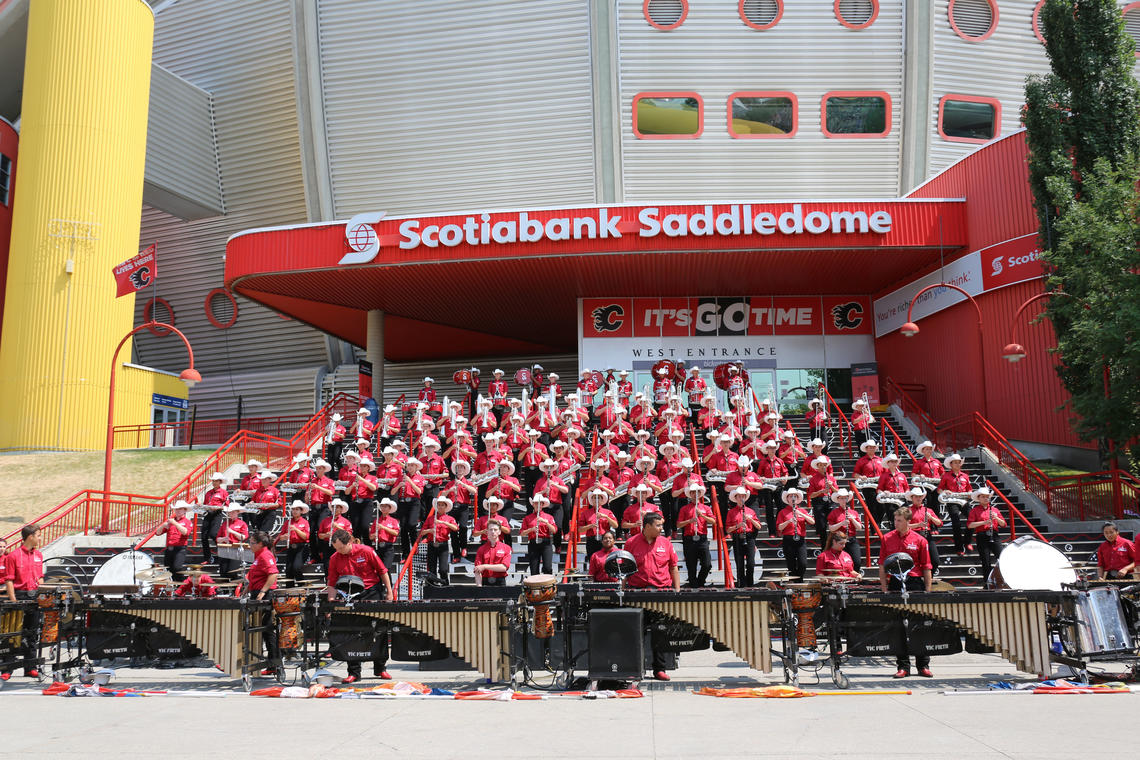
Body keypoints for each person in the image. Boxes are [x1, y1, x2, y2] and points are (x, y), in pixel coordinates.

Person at [325, 529, 393, 683]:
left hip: (371, 592)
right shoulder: (335, 557)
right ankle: (354, 672)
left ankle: (380, 668)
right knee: (351, 632)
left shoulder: (366, 551)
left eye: (341, 548)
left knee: (378, 630)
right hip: (349, 595)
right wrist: (330, 603)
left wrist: (389, 592)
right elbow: (331, 582)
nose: (339, 551)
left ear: (349, 542)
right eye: (336, 549)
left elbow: (383, 571)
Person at [879, 506, 934, 678]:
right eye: (895, 520)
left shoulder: (920, 540)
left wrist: (928, 590)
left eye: (899, 520)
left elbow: (926, 566)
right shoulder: (887, 538)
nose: (896, 523)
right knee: (898, 627)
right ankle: (903, 666)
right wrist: (884, 587)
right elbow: (881, 565)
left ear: (908, 521)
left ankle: (923, 665)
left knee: (919, 625)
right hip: (896, 581)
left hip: (915, 582)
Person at [624, 512, 680, 681]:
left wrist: (677, 590)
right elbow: (626, 570)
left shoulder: (666, 543)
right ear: (647, 526)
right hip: (637, 593)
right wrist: (623, 592)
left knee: (660, 632)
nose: (662, 528)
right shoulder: (631, 543)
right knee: (635, 632)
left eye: (662, 525)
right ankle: (635, 668)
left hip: (660, 592)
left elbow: (673, 567)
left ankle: (659, 669)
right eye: (658, 525)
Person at [2, 524, 43, 680]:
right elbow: (9, 580)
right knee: (12, 634)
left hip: (34, 596)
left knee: (32, 633)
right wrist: (13, 601)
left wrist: (44, 593)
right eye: (38, 535)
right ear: (30, 536)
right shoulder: (13, 556)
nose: (40, 538)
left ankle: (30, 667)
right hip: (19, 595)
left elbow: (40, 578)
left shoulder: (39, 555)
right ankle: (7, 669)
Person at [244, 531, 280, 675]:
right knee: (263, 631)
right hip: (256, 592)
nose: (250, 545)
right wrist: (247, 588)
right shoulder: (258, 555)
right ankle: (270, 664)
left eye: (252, 543)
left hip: (264, 594)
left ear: (260, 544)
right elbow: (256, 576)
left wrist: (262, 592)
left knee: (268, 630)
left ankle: (275, 664)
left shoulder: (265, 555)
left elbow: (273, 574)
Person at [677, 485, 714, 588]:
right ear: (690, 494)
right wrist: (689, 521)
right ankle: (694, 586)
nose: (695, 494)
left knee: (707, 564)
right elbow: (678, 524)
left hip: (702, 539)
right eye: (693, 492)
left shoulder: (705, 508)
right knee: (691, 566)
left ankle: (700, 582)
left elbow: (713, 521)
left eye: (697, 492)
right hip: (689, 540)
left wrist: (702, 516)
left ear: (700, 494)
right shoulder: (684, 508)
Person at [966, 488, 1006, 582]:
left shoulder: (995, 510)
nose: (985, 499)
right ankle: (987, 583)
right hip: (982, 536)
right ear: (979, 498)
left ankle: (1003, 580)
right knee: (986, 561)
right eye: (983, 497)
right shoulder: (974, 510)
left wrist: (996, 518)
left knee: (1001, 557)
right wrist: (984, 522)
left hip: (994, 535)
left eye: (987, 497)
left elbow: (1003, 524)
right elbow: (970, 525)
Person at [937, 453, 974, 555]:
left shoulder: (965, 476)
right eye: (955, 463)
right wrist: (944, 492)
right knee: (956, 523)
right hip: (952, 501)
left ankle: (967, 541)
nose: (958, 464)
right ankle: (959, 548)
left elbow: (969, 489)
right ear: (951, 464)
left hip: (964, 500)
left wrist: (970, 493)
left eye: (959, 462)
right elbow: (939, 489)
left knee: (973, 518)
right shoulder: (946, 476)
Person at [726, 486, 762, 586]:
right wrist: (738, 525)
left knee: (751, 563)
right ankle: (741, 585)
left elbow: (759, 527)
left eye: (743, 496)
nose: (741, 498)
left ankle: (750, 584)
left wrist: (750, 520)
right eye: (739, 496)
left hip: (749, 538)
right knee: (739, 564)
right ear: (736, 498)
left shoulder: (751, 511)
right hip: (737, 538)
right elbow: (728, 529)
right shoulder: (731, 512)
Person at [418, 496, 458, 585]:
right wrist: (430, 531)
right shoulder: (430, 518)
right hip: (432, 545)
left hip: (443, 545)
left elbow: (455, 528)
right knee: (431, 568)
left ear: (445, 507)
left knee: (443, 569)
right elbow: (422, 532)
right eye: (438, 505)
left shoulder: (449, 518)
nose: (440, 507)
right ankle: (432, 586)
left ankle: (445, 584)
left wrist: (443, 522)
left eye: (442, 505)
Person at [776, 488, 812, 580]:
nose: (793, 498)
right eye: (791, 496)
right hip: (788, 539)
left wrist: (802, 514)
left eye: (795, 496)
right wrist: (789, 521)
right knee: (791, 564)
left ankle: (799, 580)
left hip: (800, 539)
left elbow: (812, 522)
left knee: (803, 563)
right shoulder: (782, 512)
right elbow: (779, 527)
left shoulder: (802, 511)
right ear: (787, 499)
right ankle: (795, 583)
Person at [905, 487, 943, 574]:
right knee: (915, 561)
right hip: (913, 536)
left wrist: (931, 517)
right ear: (912, 498)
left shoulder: (928, 510)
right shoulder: (908, 511)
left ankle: (929, 577)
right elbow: (904, 526)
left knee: (935, 560)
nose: (918, 498)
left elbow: (940, 523)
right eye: (916, 496)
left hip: (927, 536)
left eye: (920, 496)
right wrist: (918, 525)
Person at [826, 489, 864, 573]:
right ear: (838, 500)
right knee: (840, 562)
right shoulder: (834, 512)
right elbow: (831, 528)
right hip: (839, 539)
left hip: (851, 539)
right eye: (841, 498)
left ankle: (854, 578)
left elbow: (859, 527)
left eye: (845, 498)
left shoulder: (853, 512)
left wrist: (853, 520)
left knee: (857, 561)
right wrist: (841, 523)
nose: (844, 500)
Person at [520, 494, 558, 575]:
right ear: (533, 504)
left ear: (542, 505)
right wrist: (531, 529)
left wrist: (546, 522)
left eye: (540, 503)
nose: (538, 505)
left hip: (546, 543)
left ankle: (547, 585)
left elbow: (554, 530)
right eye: (536, 503)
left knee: (547, 567)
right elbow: (522, 533)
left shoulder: (548, 517)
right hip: (533, 543)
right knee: (534, 569)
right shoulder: (527, 518)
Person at [156, 500, 192, 581]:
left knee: (177, 567)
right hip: (169, 548)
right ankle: (172, 588)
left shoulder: (187, 522)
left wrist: (175, 523)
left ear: (184, 510)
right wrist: (163, 526)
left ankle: (180, 587)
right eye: (176, 509)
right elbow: (158, 533)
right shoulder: (170, 521)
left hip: (180, 548)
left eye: (180, 509)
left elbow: (185, 532)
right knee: (168, 569)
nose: (178, 510)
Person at [199, 472, 229, 565]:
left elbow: (227, 506)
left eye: (216, 481)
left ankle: (223, 552)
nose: (214, 482)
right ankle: (208, 557)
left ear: (220, 482)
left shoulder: (224, 492)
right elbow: (205, 505)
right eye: (213, 481)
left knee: (213, 534)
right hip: (208, 514)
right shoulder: (208, 493)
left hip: (217, 514)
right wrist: (201, 506)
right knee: (203, 536)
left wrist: (218, 507)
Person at [370, 498, 401, 583]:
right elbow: (370, 537)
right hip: (378, 546)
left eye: (385, 506)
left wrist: (383, 528)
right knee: (378, 569)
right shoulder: (376, 521)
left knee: (386, 568)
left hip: (388, 547)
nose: (383, 508)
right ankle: (381, 587)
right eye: (382, 506)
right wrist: (374, 535)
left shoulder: (394, 521)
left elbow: (396, 533)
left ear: (389, 508)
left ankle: (389, 587)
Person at [474, 521, 512, 587]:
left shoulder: (506, 548)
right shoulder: (481, 549)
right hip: (485, 582)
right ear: (487, 532)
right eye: (490, 529)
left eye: (495, 529)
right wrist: (479, 587)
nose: (493, 532)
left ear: (500, 532)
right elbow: (477, 570)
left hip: (500, 582)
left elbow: (504, 567)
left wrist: (485, 566)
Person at [216, 504, 249, 578]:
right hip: (224, 548)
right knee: (223, 572)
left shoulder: (242, 524)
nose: (231, 514)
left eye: (233, 512)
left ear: (238, 512)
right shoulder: (225, 523)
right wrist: (223, 539)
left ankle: (234, 588)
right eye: (230, 512)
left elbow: (243, 537)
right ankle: (225, 589)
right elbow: (218, 539)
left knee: (232, 570)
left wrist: (232, 532)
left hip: (235, 549)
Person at [283, 500, 311, 586]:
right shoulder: (288, 522)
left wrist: (296, 529)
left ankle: (301, 586)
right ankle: (289, 591)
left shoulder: (305, 522)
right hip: (291, 547)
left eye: (297, 509)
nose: (294, 511)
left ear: (301, 511)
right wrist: (284, 537)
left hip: (301, 547)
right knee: (288, 570)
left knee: (296, 567)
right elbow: (281, 535)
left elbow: (306, 537)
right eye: (293, 509)